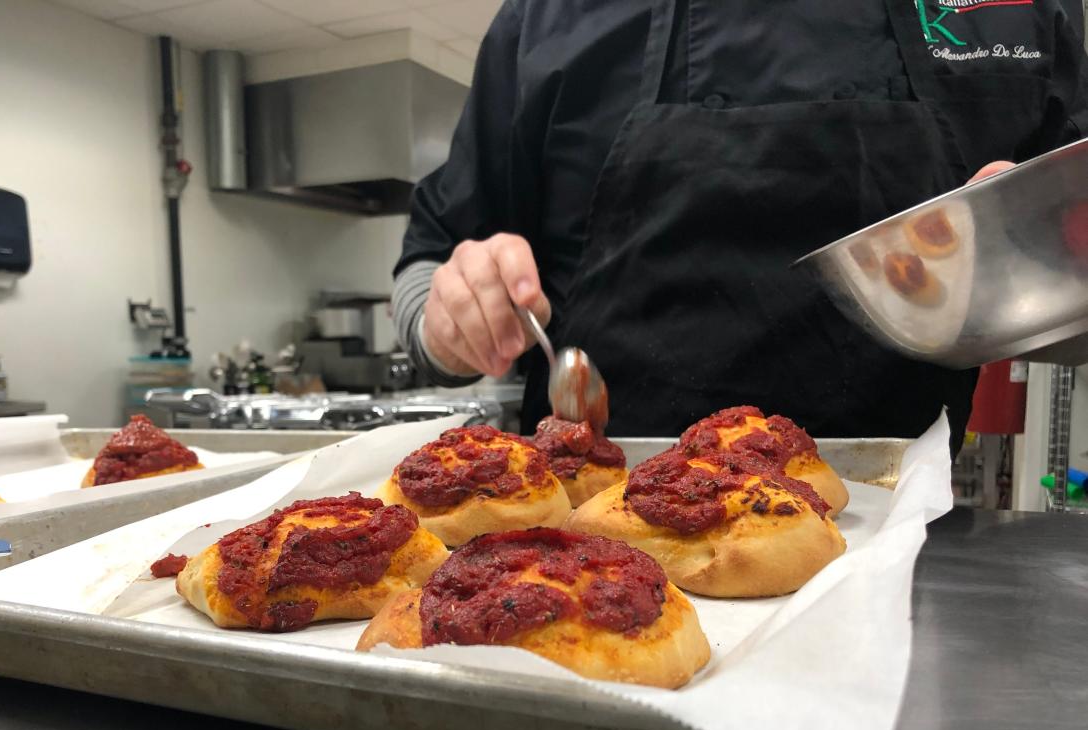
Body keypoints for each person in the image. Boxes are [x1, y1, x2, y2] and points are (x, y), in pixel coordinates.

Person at [392, 0, 1088, 449]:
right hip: (583, 546)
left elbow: (1071, 279)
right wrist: (454, 324)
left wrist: (1043, 252)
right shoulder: (548, 19)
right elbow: (429, 268)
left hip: (906, 541)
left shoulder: (1013, 13)